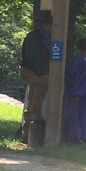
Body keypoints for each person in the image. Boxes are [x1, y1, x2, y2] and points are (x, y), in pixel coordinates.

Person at [19, 9, 52, 144]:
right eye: (50, 25)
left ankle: (27, 133)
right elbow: (34, 58)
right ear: (44, 25)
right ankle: (31, 129)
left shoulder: (44, 38)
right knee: (37, 96)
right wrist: (42, 73)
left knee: (33, 99)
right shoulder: (35, 38)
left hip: (35, 71)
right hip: (32, 71)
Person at [62, 37, 86, 143]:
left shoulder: (75, 59)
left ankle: (70, 135)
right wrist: (77, 92)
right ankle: (77, 136)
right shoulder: (84, 61)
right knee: (79, 115)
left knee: (71, 114)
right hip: (80, 91)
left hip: (72, 90)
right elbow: (81, 78)